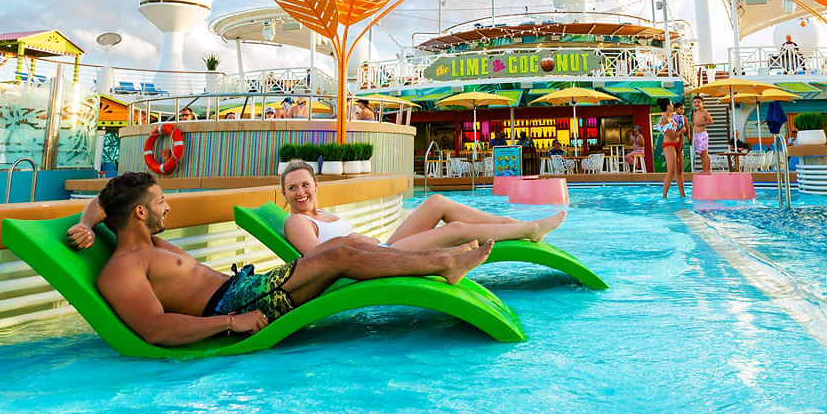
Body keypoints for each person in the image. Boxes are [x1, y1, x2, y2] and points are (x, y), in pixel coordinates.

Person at [64, 172, 493, 346]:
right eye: (160, 202)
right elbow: (153, 328)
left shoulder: (150, 245)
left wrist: (86, 221)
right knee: (340, 254)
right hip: (235, 306)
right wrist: (231, 323)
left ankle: (442, 258)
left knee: (342, 247)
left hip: (244, 289)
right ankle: (444, 262)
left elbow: (108, 203)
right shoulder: (123, 269)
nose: (167, 207)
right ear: (140, 213)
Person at [279, 161, 564, 253]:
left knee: (436, 202)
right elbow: (317, 260)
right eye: (292, 188)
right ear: (285, 195)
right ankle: (530, 228)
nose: (300, 192)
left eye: (305, 184)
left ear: (316, 185)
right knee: (456, 230)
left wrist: (357, 240)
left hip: (382, 250)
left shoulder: (323, 214)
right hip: (378, 261)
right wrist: (351, 240)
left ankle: (510, 224)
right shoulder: (296, 222)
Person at [654, 99, 686, 200]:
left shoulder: (672, 118)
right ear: (668, 106)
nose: (673, 106)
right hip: (669, 145)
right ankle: (664, 196)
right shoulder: (665, 119)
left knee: (679, 172)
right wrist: (682, 131)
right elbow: (672, 136)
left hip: (678, 145)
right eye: (671, 104)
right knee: (671, 171)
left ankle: (683, 195)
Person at [691, 96, 714, 174]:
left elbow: (711, 121)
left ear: (702, 103)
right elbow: (693, 124)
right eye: (694, 102)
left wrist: (702, 123)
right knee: (700, 153)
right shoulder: (694, 113)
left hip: (703, 134)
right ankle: (704, 169)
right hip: (696, 135)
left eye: (698, 102)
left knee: (704, 152)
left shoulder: (705, 112)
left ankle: (708, 170)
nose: (696, 104)